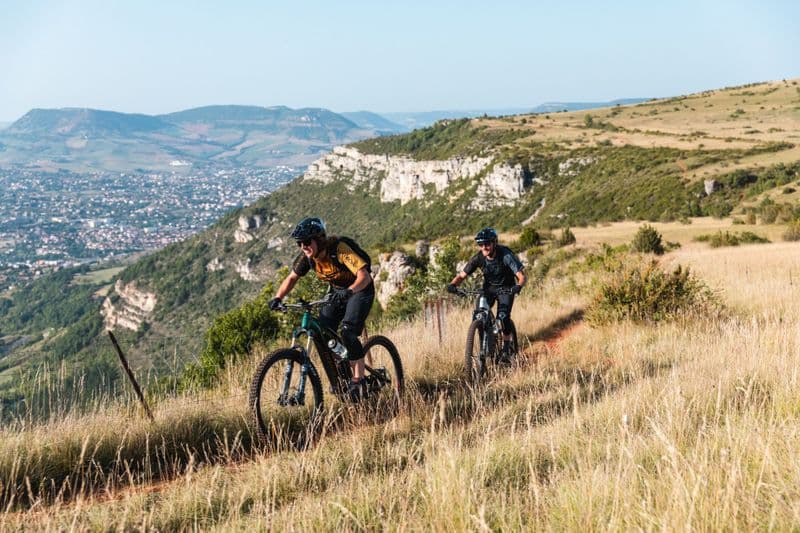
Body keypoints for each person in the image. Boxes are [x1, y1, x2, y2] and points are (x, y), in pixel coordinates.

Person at [269, 217, 374, 400]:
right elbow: (292, 278)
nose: (303, 246)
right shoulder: (308, 258)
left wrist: (350, 291)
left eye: (307, 241)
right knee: (324, 333)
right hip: (338, 292)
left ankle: (359, 380)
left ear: (319, 239)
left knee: (348, 331)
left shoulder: (339, 250)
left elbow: (364, 276)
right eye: (299, 243)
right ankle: (341, 377)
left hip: (360, 289)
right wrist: (278, 297)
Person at [447, 227, 526, 362]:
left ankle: (506, 348)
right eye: (481, 244)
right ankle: (486, 340)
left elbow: (521, 276)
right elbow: (461, 275)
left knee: (503, 317)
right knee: (479, 313)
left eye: (487, 244)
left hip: (506, 289)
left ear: (494, 243)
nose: (484, 247)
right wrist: (453, 285)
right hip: (488, 290)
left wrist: (518, 286)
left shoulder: (505, 255)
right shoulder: (479, 258)